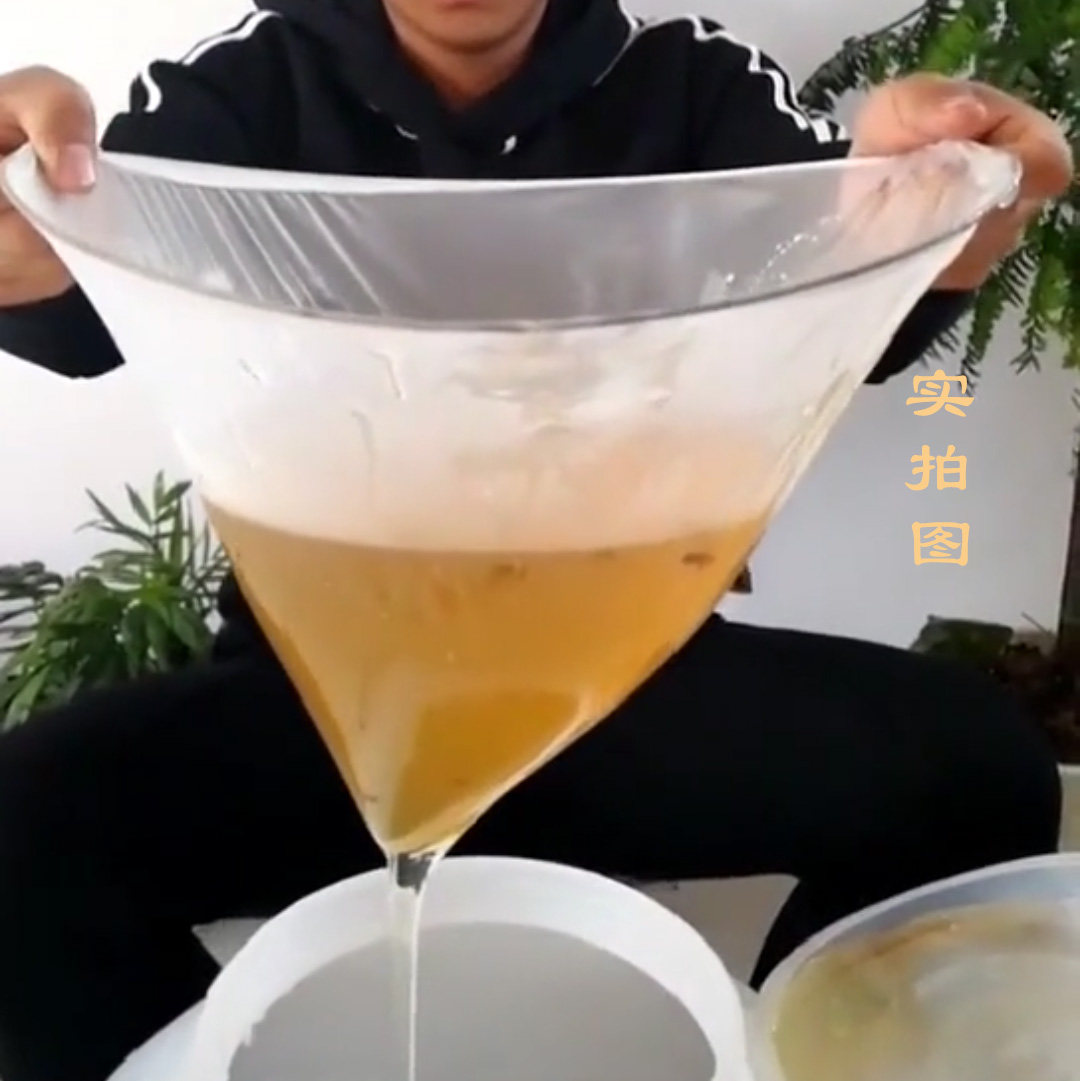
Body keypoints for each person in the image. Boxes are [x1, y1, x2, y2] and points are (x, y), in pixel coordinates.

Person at [0, 1, 1072, 1078]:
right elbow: (83, 294)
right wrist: (27, 227)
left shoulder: (692, 84)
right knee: (23, 829)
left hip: (620, 687)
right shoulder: (247, 88)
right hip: (328, 707)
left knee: (975, 774)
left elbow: (846, 270)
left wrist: (930, 219)